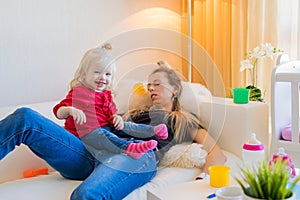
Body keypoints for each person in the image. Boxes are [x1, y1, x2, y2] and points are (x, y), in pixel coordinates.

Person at [0, 47, 226, 200]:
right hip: (91, 151)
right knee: (25, 118)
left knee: (85, 195)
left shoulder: (182, 119)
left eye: (157, 83)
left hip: (133, 157)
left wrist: (202, 181)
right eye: (149, 85)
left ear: (175, 89)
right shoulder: (133, 111)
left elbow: (217, 153)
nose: (150, 88)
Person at [53, 43, 168, 159]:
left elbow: (111, 113)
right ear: (84, 74)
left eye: (107, 74)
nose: (103, 77)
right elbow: (58, 111)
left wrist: (116, 118)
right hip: (85, 134)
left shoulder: (106, 95)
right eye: (97, 72)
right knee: (102, 135)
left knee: (125, 125)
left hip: (105, 127)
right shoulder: (80, 93)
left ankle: (153, 131)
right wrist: (69, 110)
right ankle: (129, 148)